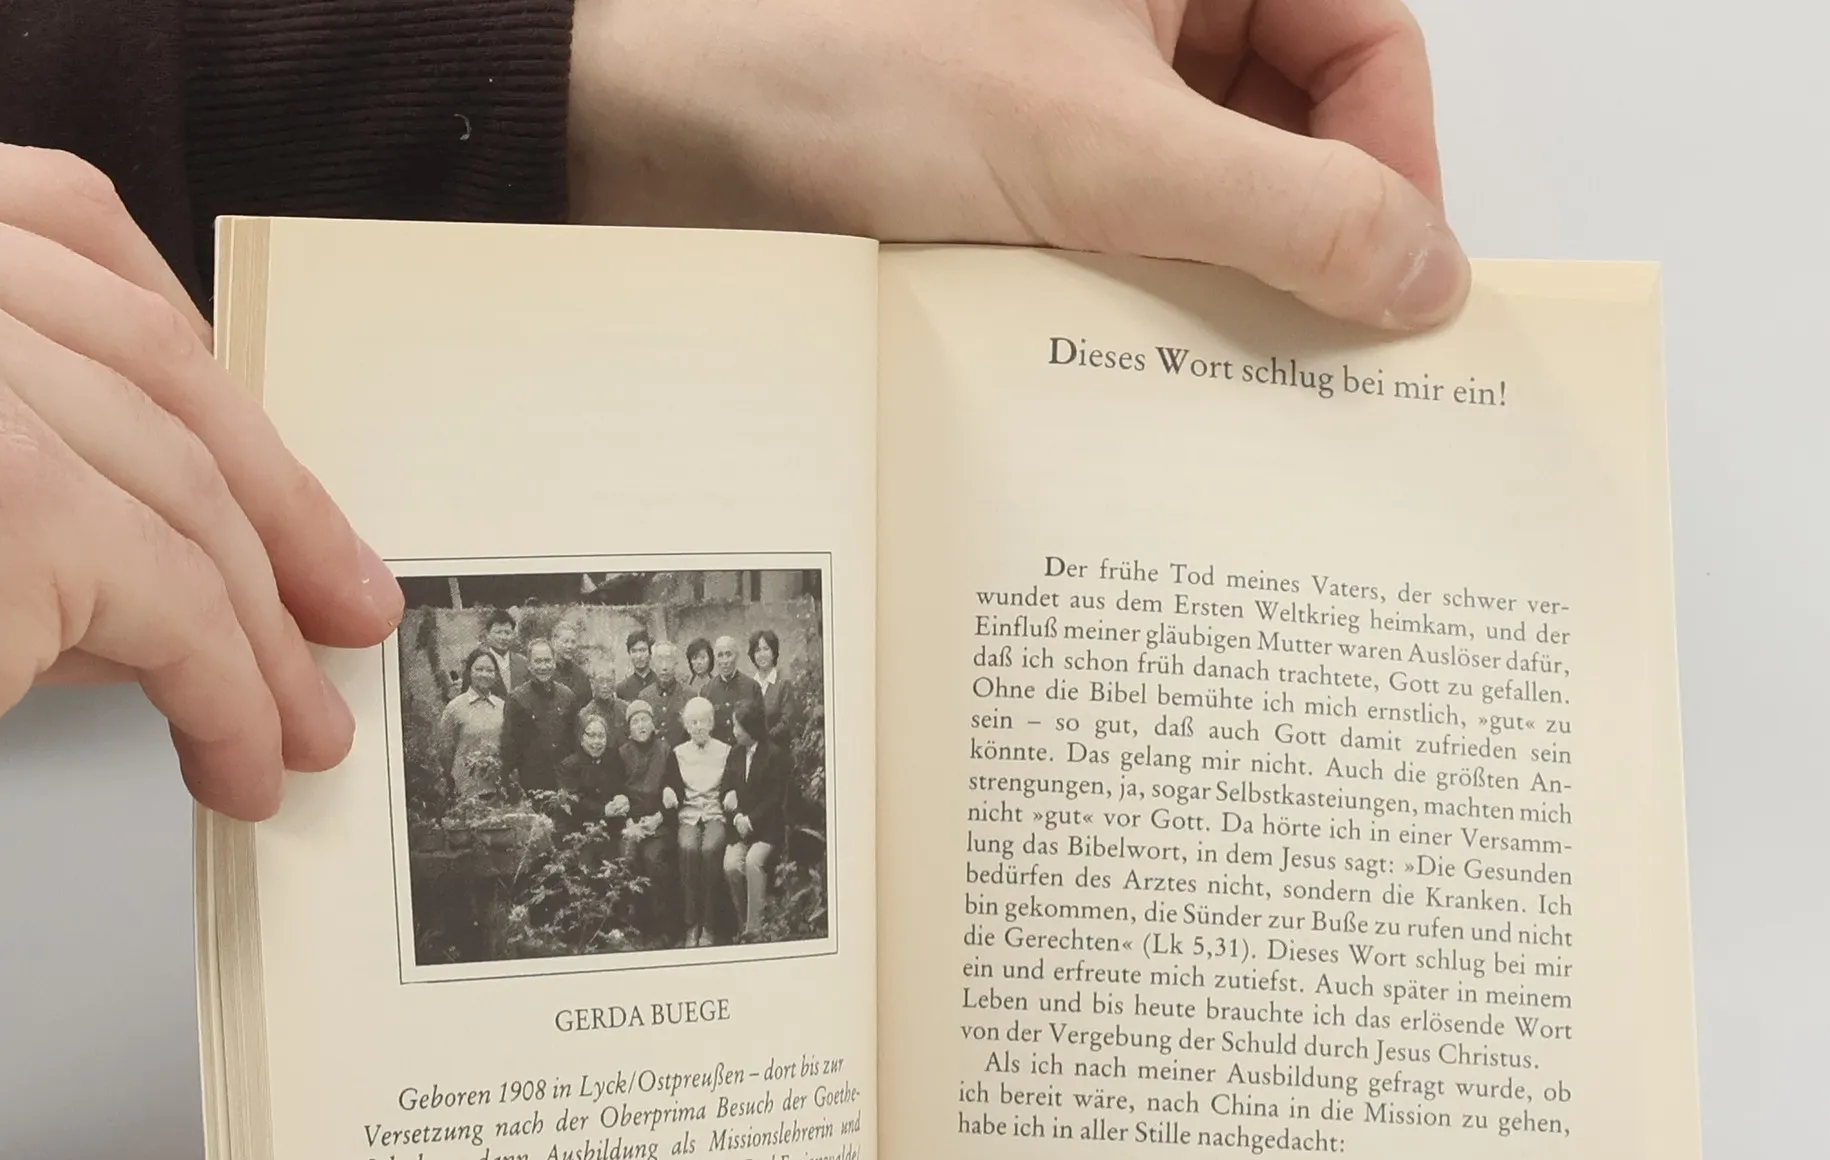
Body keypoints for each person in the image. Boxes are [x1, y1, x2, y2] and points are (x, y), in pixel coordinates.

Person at [1, 1, 1462, 818]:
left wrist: (618, 81)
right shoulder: (575, 723)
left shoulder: (736, 730)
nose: (696, 681)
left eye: (713, 668)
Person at [722, 699, 789, 939]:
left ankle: (755, 931)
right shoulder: (735, 753)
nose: (734, 731)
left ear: (750, 728)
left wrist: (749, 821)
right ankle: (744, 923)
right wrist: (737, 816)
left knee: (752, 862)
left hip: (766, 829)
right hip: (739, 826)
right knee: (731, 866)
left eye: (737, 726)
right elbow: (726, 790)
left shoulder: (774, 755)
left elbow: (774, 799)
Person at [671, 695, 732, 947]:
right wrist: (668, 791)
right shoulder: (678, 753)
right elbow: (671, 783)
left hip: (715, 812)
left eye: (703, 721)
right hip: (689, 814)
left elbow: (732, 781)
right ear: (686, 726)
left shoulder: (725, 751)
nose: (698, 727)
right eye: (693, 722)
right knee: (687, 849)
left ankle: (709, 925)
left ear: (711, 723)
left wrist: (731, 793)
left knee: (710, 850)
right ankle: (691, 924)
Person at [618, 700, 679, 941]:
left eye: (645, 720)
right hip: (631, 825)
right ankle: (635, 927)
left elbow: (676, 790)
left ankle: (664, 926)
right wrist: (629, 824)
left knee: (654, 859)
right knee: (628, 857)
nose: (641, 725)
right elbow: (616, 791)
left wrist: (659, 818)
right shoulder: (622, 753)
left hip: (659, 825)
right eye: (635, 721)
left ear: (653, 724)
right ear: (629, 728)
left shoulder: (666, 751)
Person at [498, 637, 580, 799]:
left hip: (564, 783)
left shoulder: (567, 696)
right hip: (531, 784)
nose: (543, 667)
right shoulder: (517, 699)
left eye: (547, 661)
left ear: (554, 662)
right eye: (538, 661)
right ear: (529, 665)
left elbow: (575, 741)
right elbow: (509, 746)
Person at [433, 646, 509, 804]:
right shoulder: (455, 708)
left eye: (489, 670)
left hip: (498, 791)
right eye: (479, 669)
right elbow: (445, 752)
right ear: (469, 672)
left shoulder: (502, 707)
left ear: (496, 675)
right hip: (465, 792)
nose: (484, 674)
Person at [557, 710, 630, 836]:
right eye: (591, 735)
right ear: (581, 738)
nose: (596, 741)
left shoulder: (613, 761)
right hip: (578, 831)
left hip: (611, 829)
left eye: (601, 736)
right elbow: (572, 801)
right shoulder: (568, 766)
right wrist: (603, 810)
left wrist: (622, 798)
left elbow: (622, 787)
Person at [626, 638, 692, 747]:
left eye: (669, 660)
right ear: (652, 664)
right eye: (660, 661)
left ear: (676, 663)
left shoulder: (689, 694)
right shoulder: (644, 696)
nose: (664, 667)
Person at [703, 634, 765, 746]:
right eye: (720, 655)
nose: (725, 661)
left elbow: (760, 728)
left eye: (728, 654)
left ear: (736, 656)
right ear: (715, 658)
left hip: (743, 750)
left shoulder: (752, 687)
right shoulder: (707, 690)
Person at [575, 655, 629, 752]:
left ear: (614, 681)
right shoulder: (585, 714)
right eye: (600, 681)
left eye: (609, 681)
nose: (605, 686)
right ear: (592, 683)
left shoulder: (625, 709)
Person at [748, 630, 792, 746]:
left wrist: (764, 739)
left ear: (774, 652)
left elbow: (787, 722)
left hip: (777, 749)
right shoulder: (749, 685)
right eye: (757, 650)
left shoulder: (783, 684)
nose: (762, 654)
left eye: (766, 649)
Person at [613, 627, 655, 704]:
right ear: (629, 654)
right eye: (634, 651)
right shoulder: (622, 689)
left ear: (650, 653)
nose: (638, 656)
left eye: (642, 650)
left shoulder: (659, 683)